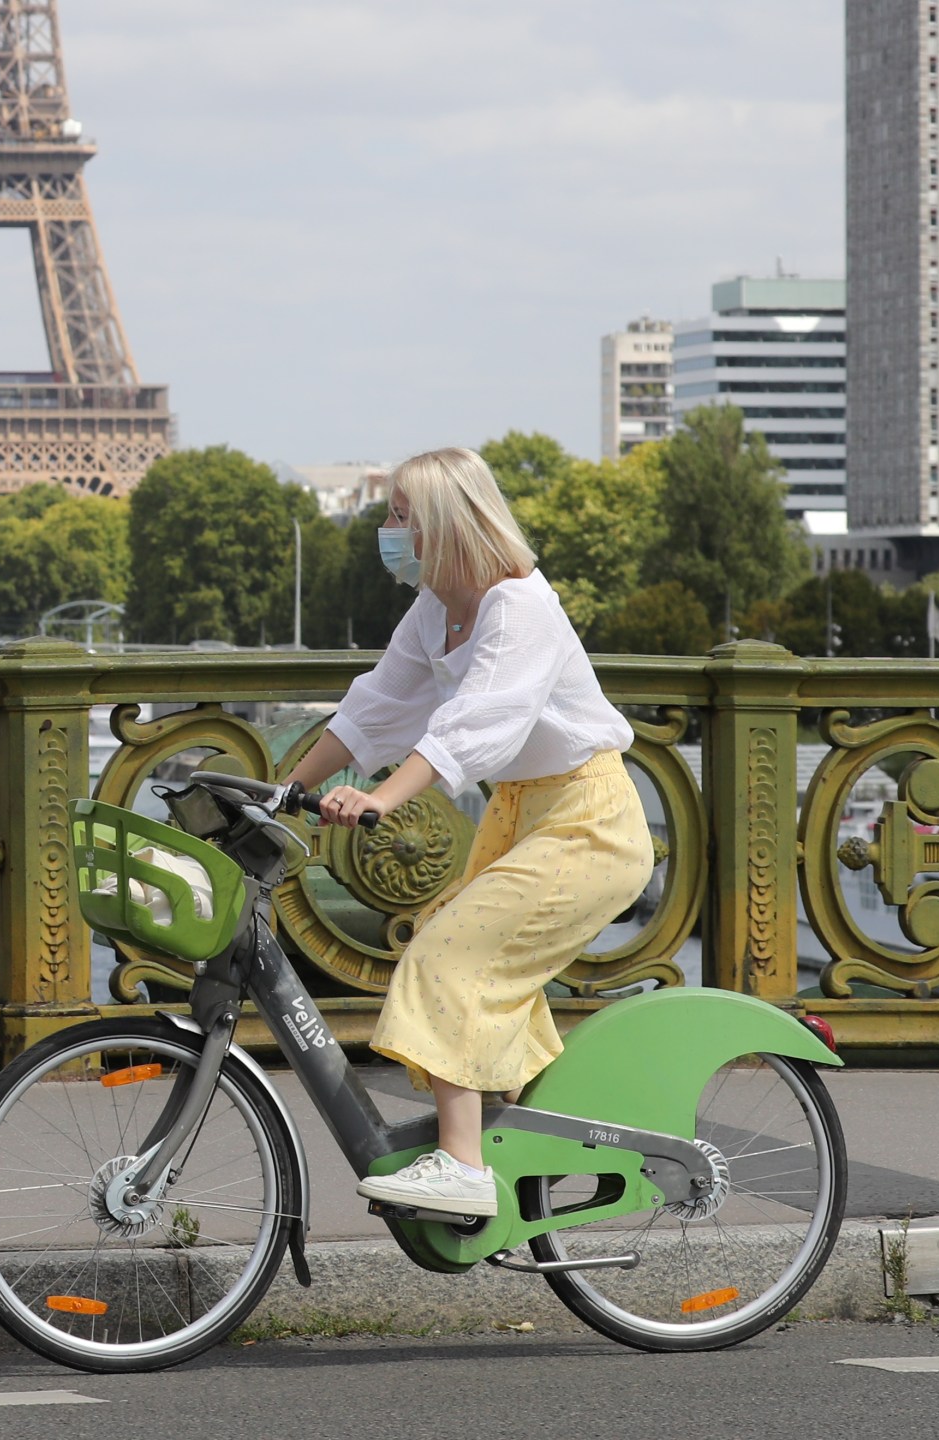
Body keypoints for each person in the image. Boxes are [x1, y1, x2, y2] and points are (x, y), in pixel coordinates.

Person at [284, 446, 653, 1218]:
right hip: (526, 812)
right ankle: (512, 1138)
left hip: (586, 820)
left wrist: (381, 799)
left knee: (450, 958)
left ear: (444, 526)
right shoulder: (437, 609)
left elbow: (475, 726)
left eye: (398, 516)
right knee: (477, 961)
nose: (385, 528)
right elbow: (375, 708)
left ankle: (463, 1168)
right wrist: (291, 787)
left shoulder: (518, 606)